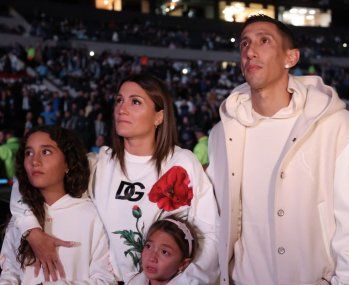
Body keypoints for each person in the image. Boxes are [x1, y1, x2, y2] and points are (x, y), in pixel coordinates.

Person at [10, 74, 219, 284]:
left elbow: (209, 235)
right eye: (119, 100)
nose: (122, 108)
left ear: (159, 116)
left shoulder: (181, 163)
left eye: (135, 102)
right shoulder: (100, 164)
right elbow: (30, 177)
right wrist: (32, 231)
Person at [206, 14, 349, 285]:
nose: (250, 51)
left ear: (291, 58)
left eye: (263, 41)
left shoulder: (336, 126)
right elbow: (217, 221)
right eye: (244, 44)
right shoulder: (222, 134)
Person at [0, 126, 116, 284]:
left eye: (46, 152)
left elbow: (105, 279)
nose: (35, 161)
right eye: (29, 153)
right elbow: (9, 274)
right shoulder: (21, 218)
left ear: (67, 163)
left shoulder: (92, 216)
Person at [128, 215, 198, 284]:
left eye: (164, 252)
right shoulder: (134, 281)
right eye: (148, 246)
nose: (152, 258)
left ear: (183, 264)